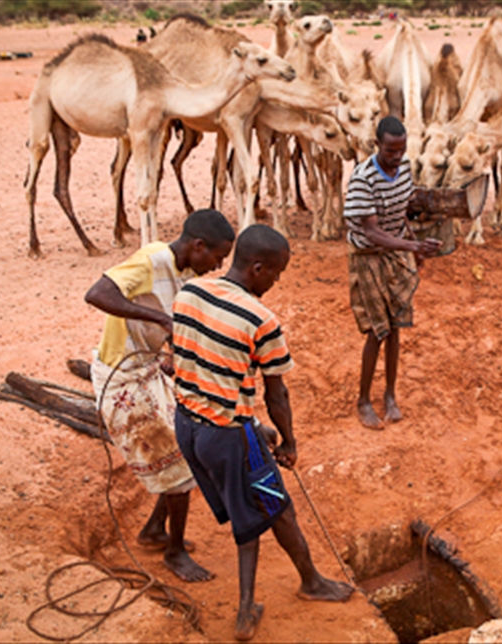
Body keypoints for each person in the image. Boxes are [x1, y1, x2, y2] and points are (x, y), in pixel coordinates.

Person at [172, 224, 353, 641]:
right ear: (257, 268)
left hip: (188, 426)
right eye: (276, 273)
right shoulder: (261, 319)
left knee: (274, 503)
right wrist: (288, 440)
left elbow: (200, 366)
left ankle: (310, 579)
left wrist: (254, 426)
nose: (276, 281)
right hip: (226, 436)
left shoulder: (189, 292)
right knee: (252, 517)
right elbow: (277, 394)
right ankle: (246, 610)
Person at [85, 208, 235, 582]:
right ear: (198, 246)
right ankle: (174, 552)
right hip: (121, 378)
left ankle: (154, 529)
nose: (217, 266)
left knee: (188, 447)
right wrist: (160, 320)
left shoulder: (185, 275)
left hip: (147, 371)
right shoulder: (152, 260)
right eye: (217, 257)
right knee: (181, 465)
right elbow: (97, 293)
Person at [343, 116, 442, 430]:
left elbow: (401, 214)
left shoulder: (404, 169)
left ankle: (389, 395)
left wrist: (413, 245)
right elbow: (372, 233)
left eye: (401, 150)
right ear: (377, 145)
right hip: (369, 258)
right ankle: (363, 400)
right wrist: (413, 247)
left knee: (396, 325)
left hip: (396, 252)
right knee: (378, 330)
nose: (397, 157)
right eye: (390, 151)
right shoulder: (363, 179)